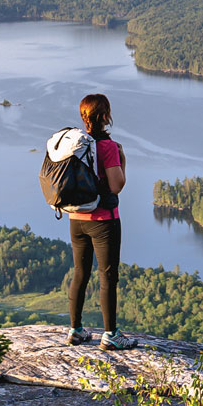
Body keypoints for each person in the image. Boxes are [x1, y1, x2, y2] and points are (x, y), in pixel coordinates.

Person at [66, 93, 137, 350]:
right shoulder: (108, 147)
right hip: (103, 220)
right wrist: (123, 160)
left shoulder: (76, 144)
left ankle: (75, 330)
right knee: (108, 276)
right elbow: (116, 186)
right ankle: (111, 335)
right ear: (106, 116)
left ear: (83, 116)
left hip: (76, 218)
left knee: (80, 272)